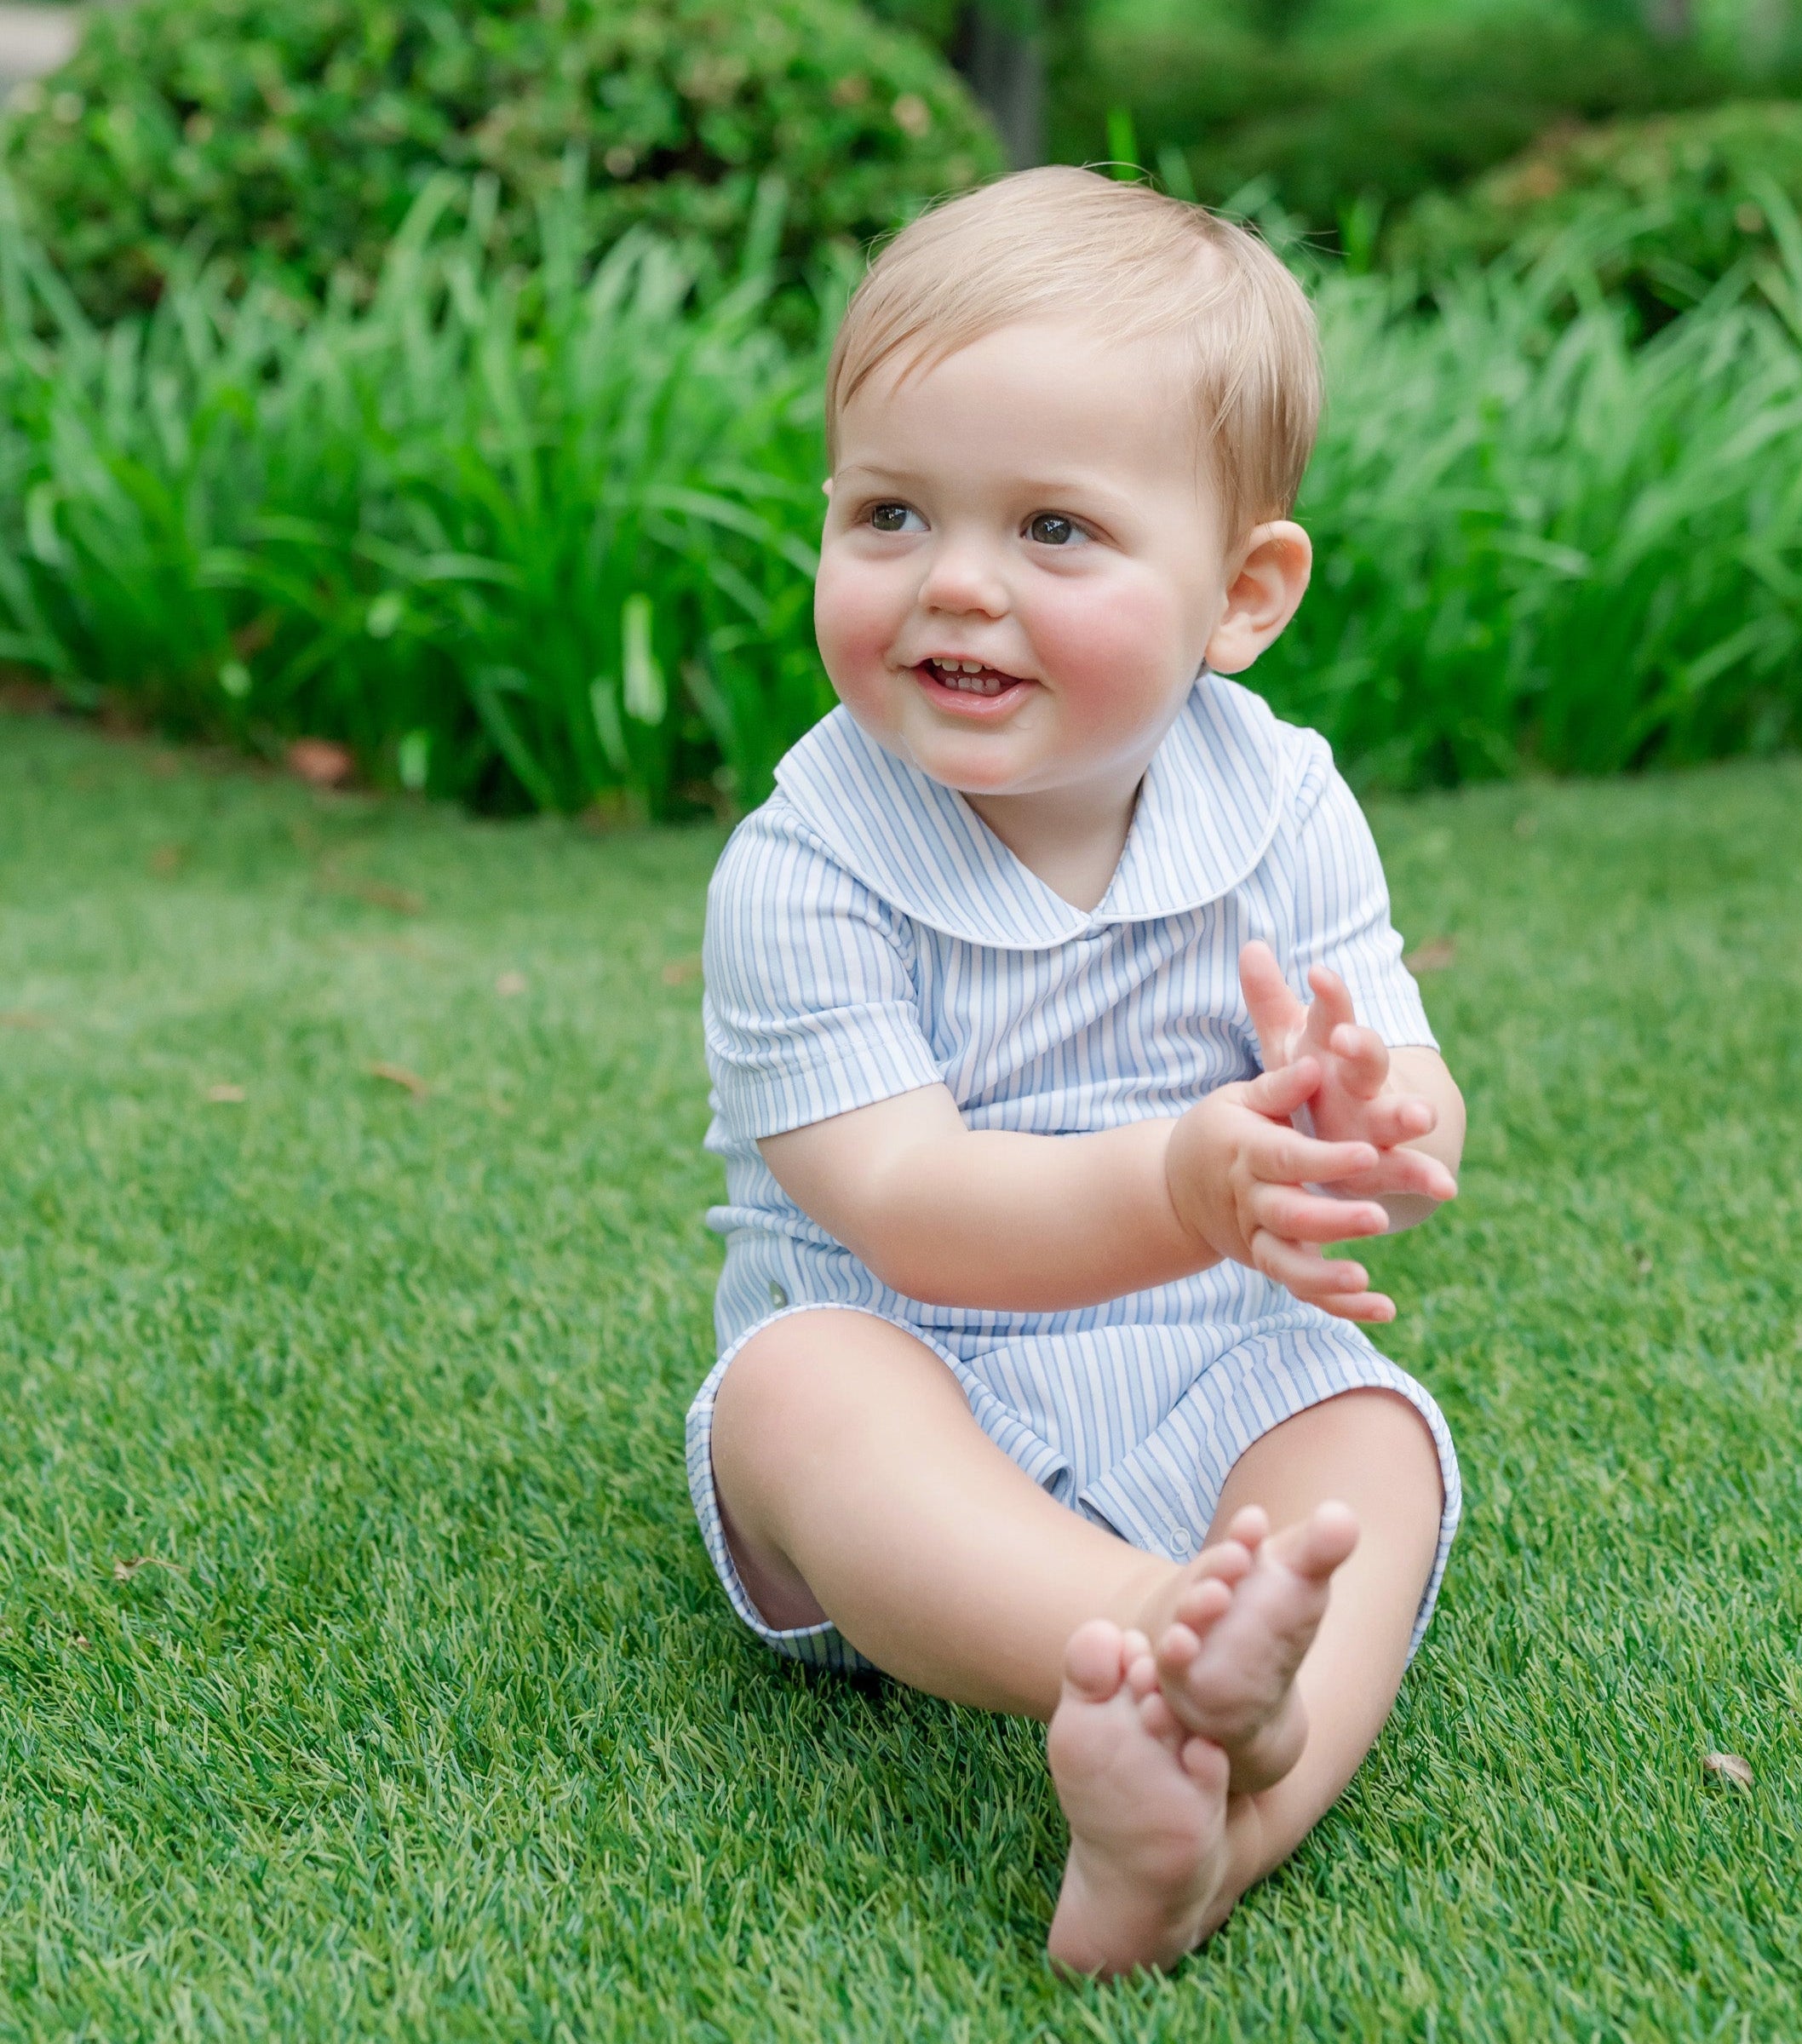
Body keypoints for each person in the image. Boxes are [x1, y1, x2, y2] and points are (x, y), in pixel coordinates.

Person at [685, 164, 1466, 1976]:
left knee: (1371, 1445)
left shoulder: (1281, 801)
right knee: (795, 1393)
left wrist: (1377, 1123)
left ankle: (1206, 1829)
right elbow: (917, 1213)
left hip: (1203, 1363)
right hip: (917, 1385)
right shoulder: (803, 872)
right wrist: (1189, 1184)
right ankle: (1163, 1639)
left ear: (1242, 593)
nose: (955, 581)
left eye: (1054, 530)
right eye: (891, 512)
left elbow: (1414, 1091)